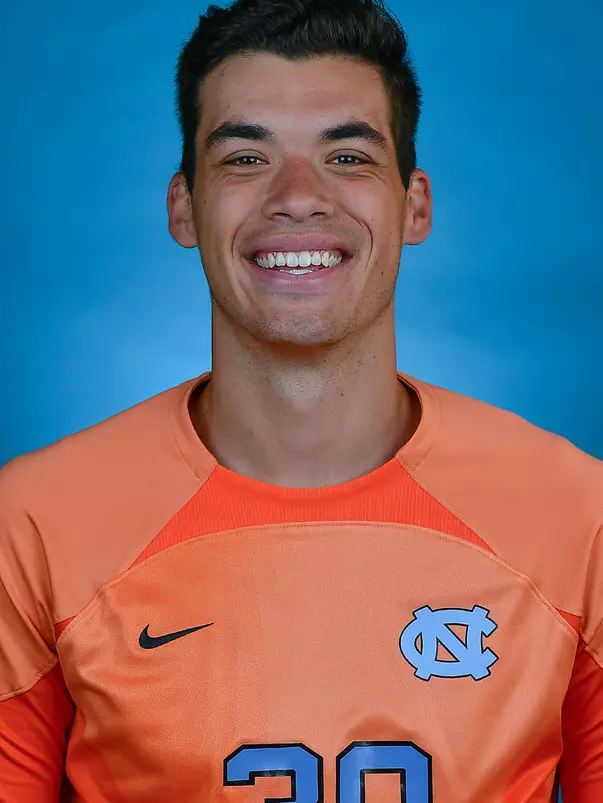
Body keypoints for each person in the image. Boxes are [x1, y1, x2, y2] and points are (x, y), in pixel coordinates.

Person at [0, 0, 601, 800]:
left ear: (413, 204)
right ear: (183, 206)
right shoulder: (34, 522)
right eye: (245, 159)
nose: (297, 195)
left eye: (347, 157)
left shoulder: (574, 513)